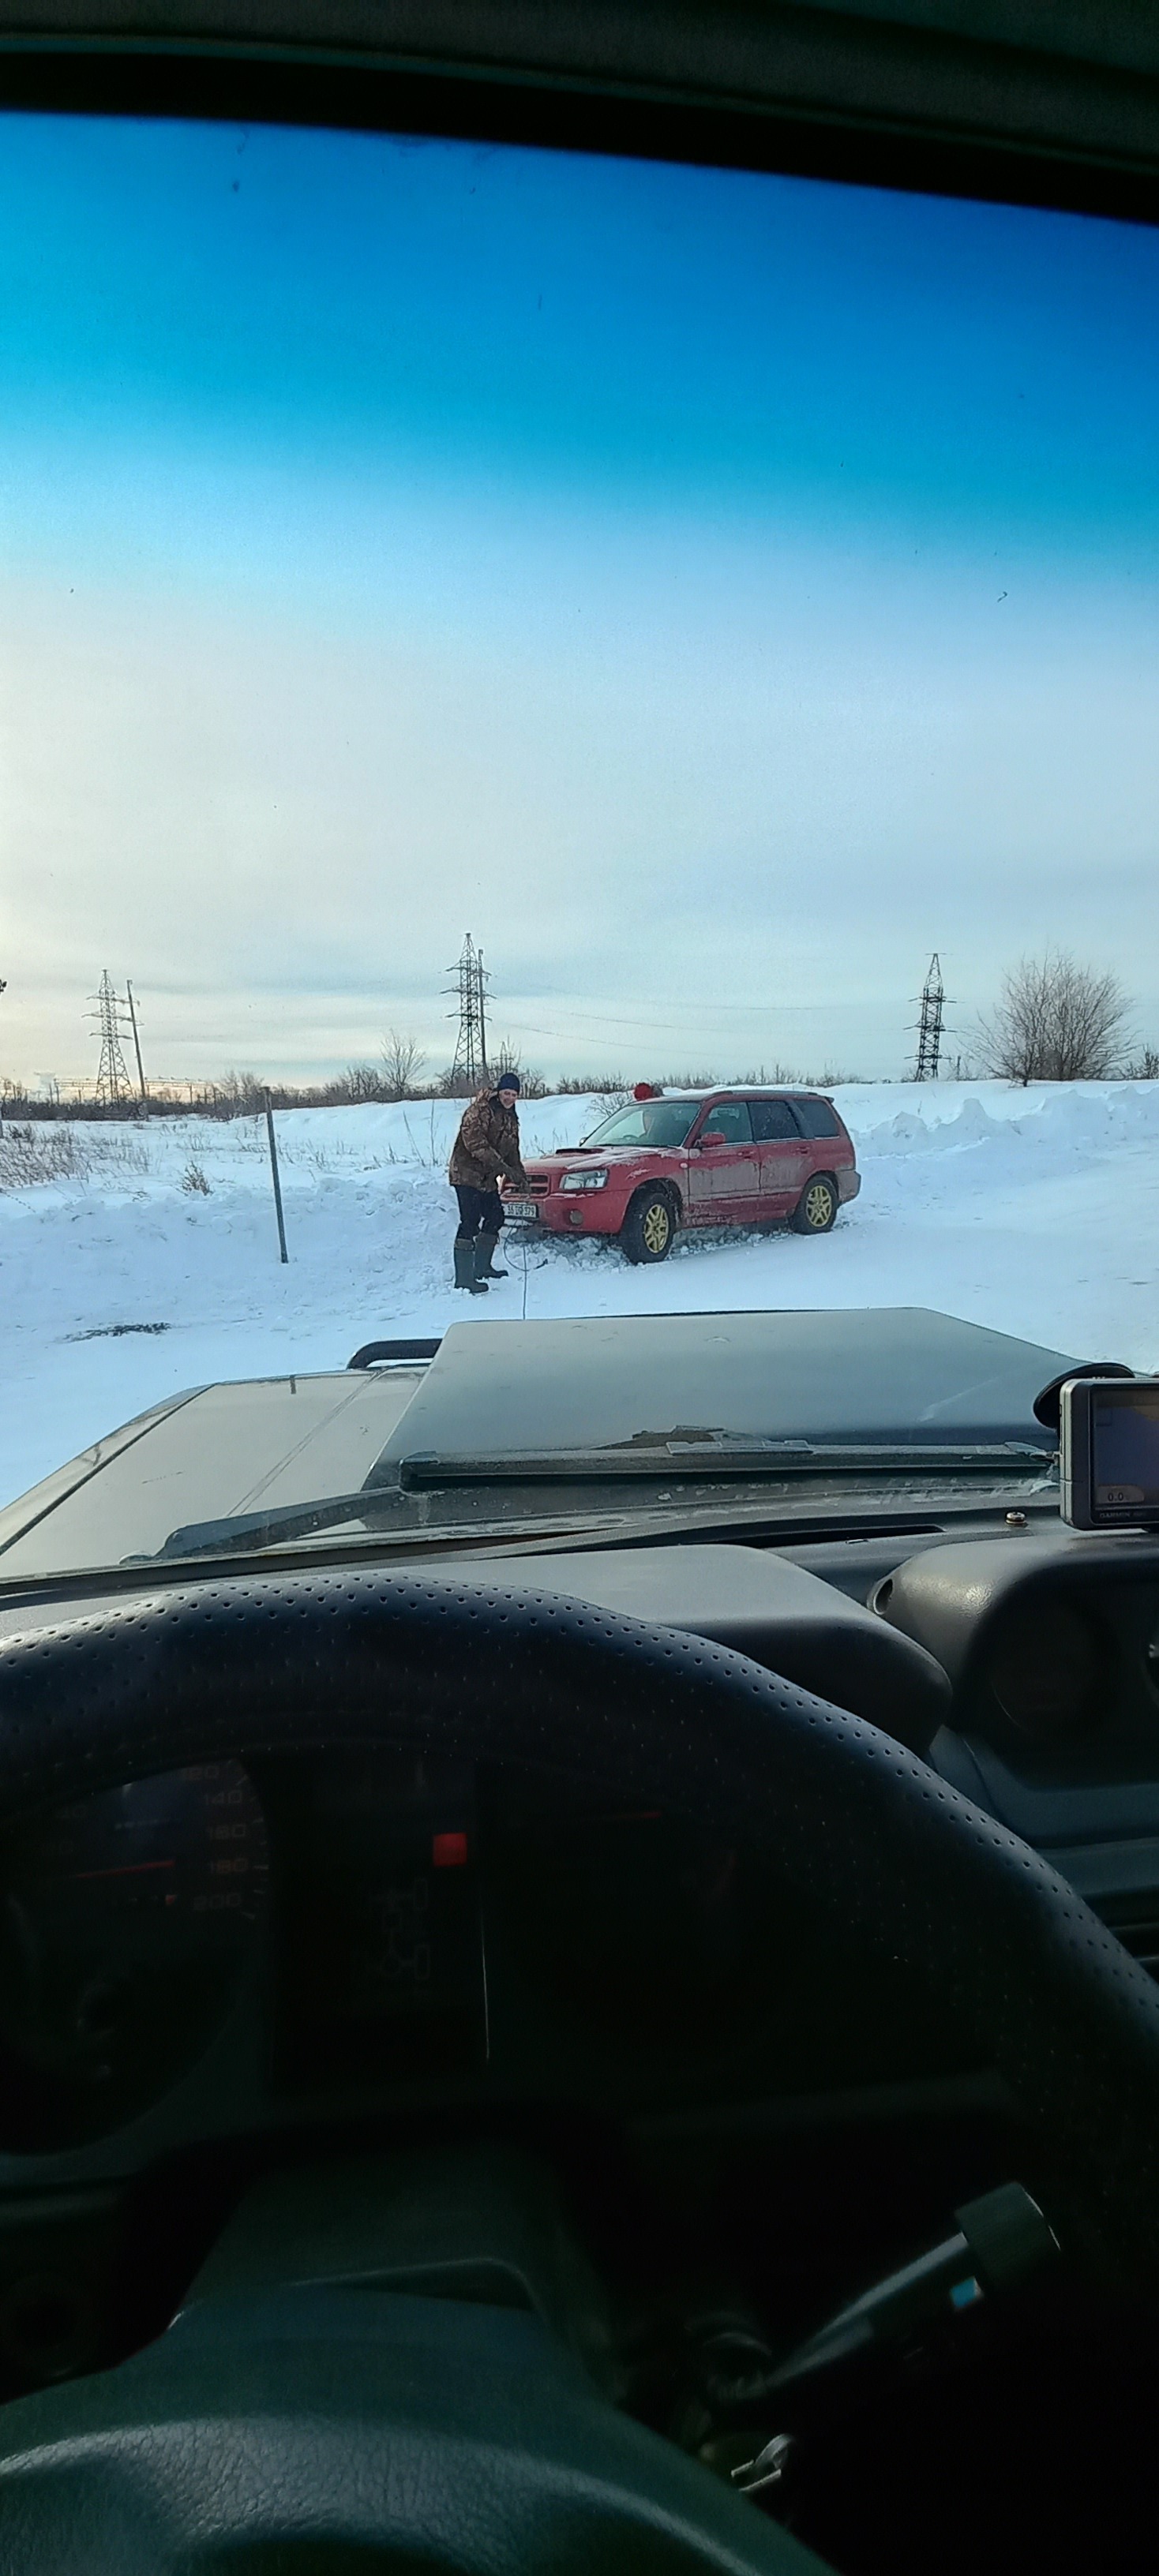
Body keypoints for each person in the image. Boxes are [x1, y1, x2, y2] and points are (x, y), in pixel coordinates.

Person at [447, 1073, 527, 1292]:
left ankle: (482, 1268)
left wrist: (520, 1176)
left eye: (514, 1094)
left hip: (487, 1178)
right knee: (470, 1221)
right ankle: (464, 1279)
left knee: (495, 1216)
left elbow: (513, 1153)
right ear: (498, 1091)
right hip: (466, 1174)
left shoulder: (511, 1118)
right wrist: (503, 1168)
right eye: (506, 1093)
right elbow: (476, 1144)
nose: (510, 1098)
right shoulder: (480, 1110)